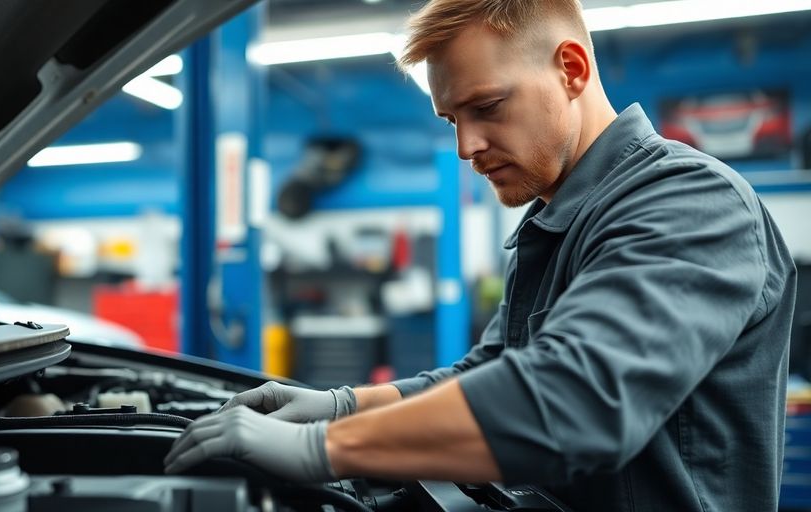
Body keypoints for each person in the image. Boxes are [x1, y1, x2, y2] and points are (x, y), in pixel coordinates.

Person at [163, 1, 798, 510]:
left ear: (571, 69)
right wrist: (342, 405)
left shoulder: (689, 202)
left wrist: (325, 449)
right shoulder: (557, 216)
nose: (467, 145)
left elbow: (578, 399)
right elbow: (494, 368)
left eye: (487, 107)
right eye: (450, 119)